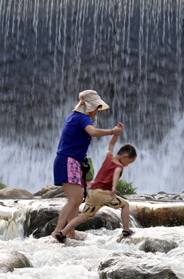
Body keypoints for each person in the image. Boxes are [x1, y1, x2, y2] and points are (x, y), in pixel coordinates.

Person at [52, 90, 124, 240]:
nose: (97, 111)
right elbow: (92, 132)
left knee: (77, 199)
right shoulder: (82, 118)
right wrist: (112, 131)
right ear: (88, 106)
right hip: (68, 161)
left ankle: (69, 232)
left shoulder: (74, 117)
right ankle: (57, 232)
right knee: (75, 199)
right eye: (96, 107)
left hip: (70, 161)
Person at [52, 134, 137, 243]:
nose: (126, 165)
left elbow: (111, 144)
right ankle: (126, 230)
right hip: (103, 193)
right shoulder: (119, 166)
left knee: (83, 217)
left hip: (92, 192)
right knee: (125, 205)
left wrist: (116, 134)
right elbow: (116, 174)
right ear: (125, 156)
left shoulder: (109, 157)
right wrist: (114, 187)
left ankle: (62, 233)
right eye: (128, 163)